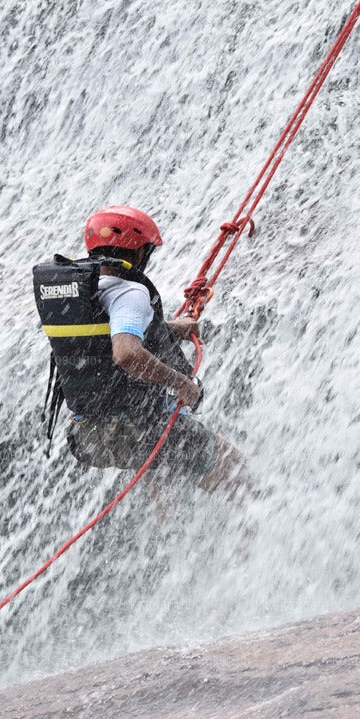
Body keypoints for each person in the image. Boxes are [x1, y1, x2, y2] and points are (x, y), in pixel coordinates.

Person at [33, 205, 249, 500]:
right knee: (238, 474)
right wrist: (181, 384)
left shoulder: (85, 290)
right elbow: (126, 354)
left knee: (162, 470)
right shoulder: (129, 292)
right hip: (133, 429)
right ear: (137, 253)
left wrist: (171, 328)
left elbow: (105, 337)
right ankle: (269, 530)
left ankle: (171, 540)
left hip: (86, 436)